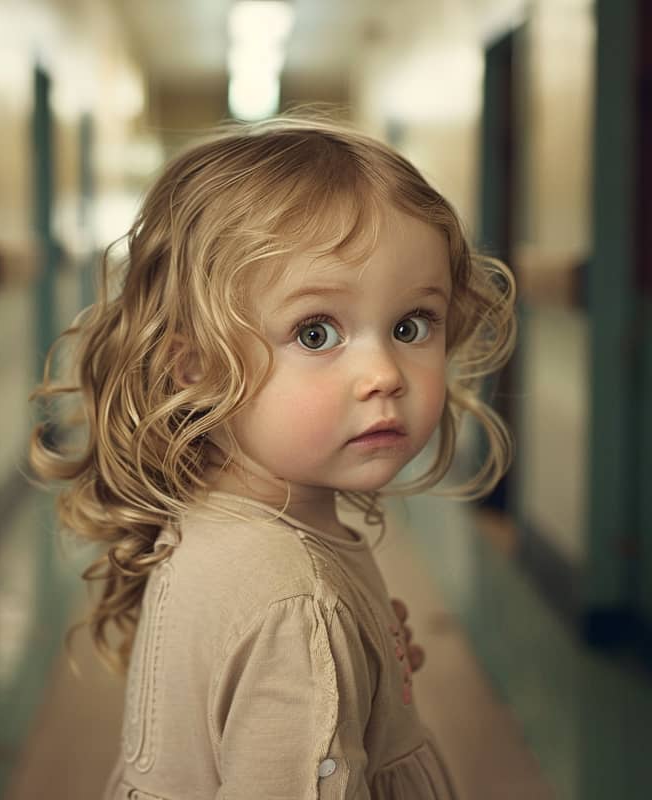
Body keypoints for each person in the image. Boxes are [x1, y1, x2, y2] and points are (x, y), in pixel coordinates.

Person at [29, 116, 516, 799]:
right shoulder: (294, 603)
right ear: (194, 367)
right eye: (316, 332)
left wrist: (362, 663)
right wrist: (314, 644)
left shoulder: (215, 519)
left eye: (411, 325)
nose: (385, 373)